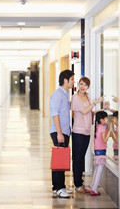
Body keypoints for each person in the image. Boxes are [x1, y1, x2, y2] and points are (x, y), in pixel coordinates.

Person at [71, 77, 104, 193]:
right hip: (78, 132)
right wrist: (96, 102)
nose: (82, 87)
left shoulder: (87, 96)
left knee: (81, 158)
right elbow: (84, 111)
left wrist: (102, 109)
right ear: (78, 85)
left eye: (85, 85)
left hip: (86, 131)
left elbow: (90, 112)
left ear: (88, 87)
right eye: (81, 84)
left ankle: (80, 181)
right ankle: (77, 184)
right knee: (77, 158)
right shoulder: (75, 97)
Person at [50, 69, 74, 198]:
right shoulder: (57, 94)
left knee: (60, 158)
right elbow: (55, 114)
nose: (74, 82)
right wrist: (59, 133)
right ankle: (59, 188)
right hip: (59, 132)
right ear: (66, 80)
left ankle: (58, 187)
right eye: (72, 79)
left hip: (64, 131)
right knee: (60, 159)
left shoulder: (65, 93)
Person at [86, 111, 112, 195]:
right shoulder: (102, 128)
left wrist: (108, 127)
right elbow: (105, 140)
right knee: (99, 170)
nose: (108, 119)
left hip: (97, 151)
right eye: (106, 118)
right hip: (101, 151)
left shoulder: (98, 126)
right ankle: (94, 189)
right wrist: (110, 130)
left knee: (97, 169)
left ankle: (92, 186)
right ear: (102, 120)